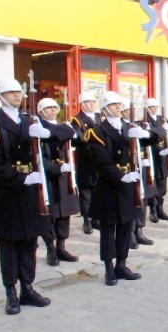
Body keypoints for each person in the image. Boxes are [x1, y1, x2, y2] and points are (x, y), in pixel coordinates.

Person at [0, 78, 52, 315]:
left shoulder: (30, 120)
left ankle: (27, 287)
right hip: (9, 192)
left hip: (31, 192)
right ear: (0, 96)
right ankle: (11, 291)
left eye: (18, 92)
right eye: (11, 92)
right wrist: (20, 178)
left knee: (30, 241)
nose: (17, 96)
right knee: (9, 245)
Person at [84, 91, 143, 285]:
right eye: (114, 104)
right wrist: (121, 176)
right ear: (105, 108)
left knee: (126, 226)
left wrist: (144, 134)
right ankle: (109, 266)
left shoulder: (128, 127)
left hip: (128, 184)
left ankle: (122, 264)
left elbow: (150, 140)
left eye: (120, 104)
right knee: (108, 229)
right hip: (109, 185)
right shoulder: (97, 132)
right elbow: (101, 161)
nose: (119, 107)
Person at [36, 98, 80, 265]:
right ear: (41, 111)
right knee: (50, 214)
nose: (53, 110)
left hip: (65, 175)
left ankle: (61, 246)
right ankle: (50, 248)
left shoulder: (62, 126)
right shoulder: (38, 128)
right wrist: (55, 168)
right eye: (49, 108)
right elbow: (39, 157)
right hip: (48, 176)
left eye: (55, 107)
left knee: (64, 213)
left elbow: (76, 136)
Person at [121, 100, 155, 249]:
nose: (133, 111)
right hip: (129, 168)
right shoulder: (121, 126)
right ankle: (131, 234)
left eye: (134, 109)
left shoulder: (140, 125)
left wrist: (146, 133)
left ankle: (139, 229)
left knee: (143, 199)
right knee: (133, 200)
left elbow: (156, 136)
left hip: (142, 166)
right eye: (130, 109)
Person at [142, 97, 168, 223]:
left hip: (162, 155)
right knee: (153, 183)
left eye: (155, 107)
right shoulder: (143, 120)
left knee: (162, 184)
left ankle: (160, 208)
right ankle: (153, 209)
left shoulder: (160, 119)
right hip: (152, 155)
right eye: (151, 107)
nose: (154, 109)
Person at [69, 92, 100, 234]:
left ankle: (96, 218)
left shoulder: (99, 117)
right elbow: (81, 138)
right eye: (88, 102)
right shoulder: (76, 120)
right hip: (86, 161)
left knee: (98, 191)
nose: (92, 104)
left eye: (93, 102)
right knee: (86, 192)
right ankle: (87, 220)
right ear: (82, 105)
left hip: (99, 160)